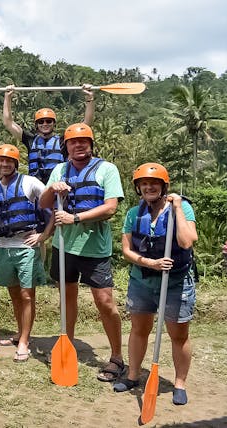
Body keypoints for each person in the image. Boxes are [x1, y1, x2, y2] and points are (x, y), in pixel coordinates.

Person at [40, 123, 125, 382]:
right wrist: (53, 189)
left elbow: (110, 208)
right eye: (73, 142)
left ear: (91, 144)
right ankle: (67, 342)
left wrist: (74, 218)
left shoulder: (106, 169)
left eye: (84, 141)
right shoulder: (59, 170)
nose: (79, 145)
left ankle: (117, 357)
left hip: (94, 249)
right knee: (67, 299)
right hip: (64, 246)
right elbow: (43, 203)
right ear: (66, 146)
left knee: (104, 302)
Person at [113, 163, 197, 406]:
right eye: (144, 184)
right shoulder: (132, 213)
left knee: (178, 334)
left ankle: (179, 383)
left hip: (176, 282)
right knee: (139, 328)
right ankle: (132, 375)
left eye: (154, 183)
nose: (149, 187)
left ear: (163, 186)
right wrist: (150, 263)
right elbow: (126, 251)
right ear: (139, 188)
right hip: (142, 280)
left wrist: (178, 208)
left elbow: (187, 241)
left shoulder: (182, 209)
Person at [0, 144, 52, 362]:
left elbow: (53, 208)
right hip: (3, 246)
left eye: (9, 161)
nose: (4, 164)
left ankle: (24, 341)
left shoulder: (30, 183)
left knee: (27, 295)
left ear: (15, 163)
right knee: (13, 294)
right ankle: (20, 332)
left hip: (26, 246)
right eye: (1, 161)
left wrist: (43, 236)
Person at [2, 84, 95, 184]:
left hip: (57, 186)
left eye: (48, 121)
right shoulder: (31, 140)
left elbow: (86, 124)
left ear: (54, 124)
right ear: (36, 125)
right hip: (36, 187)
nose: (45, 124)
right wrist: (8, 97)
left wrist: (90, 99)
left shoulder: (62, 141)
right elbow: (8, 122)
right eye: (41, 122)